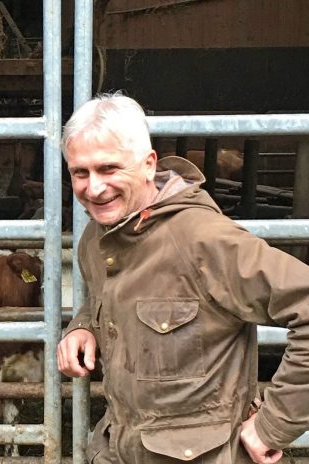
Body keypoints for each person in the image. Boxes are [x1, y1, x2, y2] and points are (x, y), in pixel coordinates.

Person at [57, 93, 309, 463]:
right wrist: (83, 326)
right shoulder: (97, 237)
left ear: (148, 164)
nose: (93, 188)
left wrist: (273, 425)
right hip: (122, 446)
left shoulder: (202, 239)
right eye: (81, 172)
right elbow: (108, 295)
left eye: (109, 168)